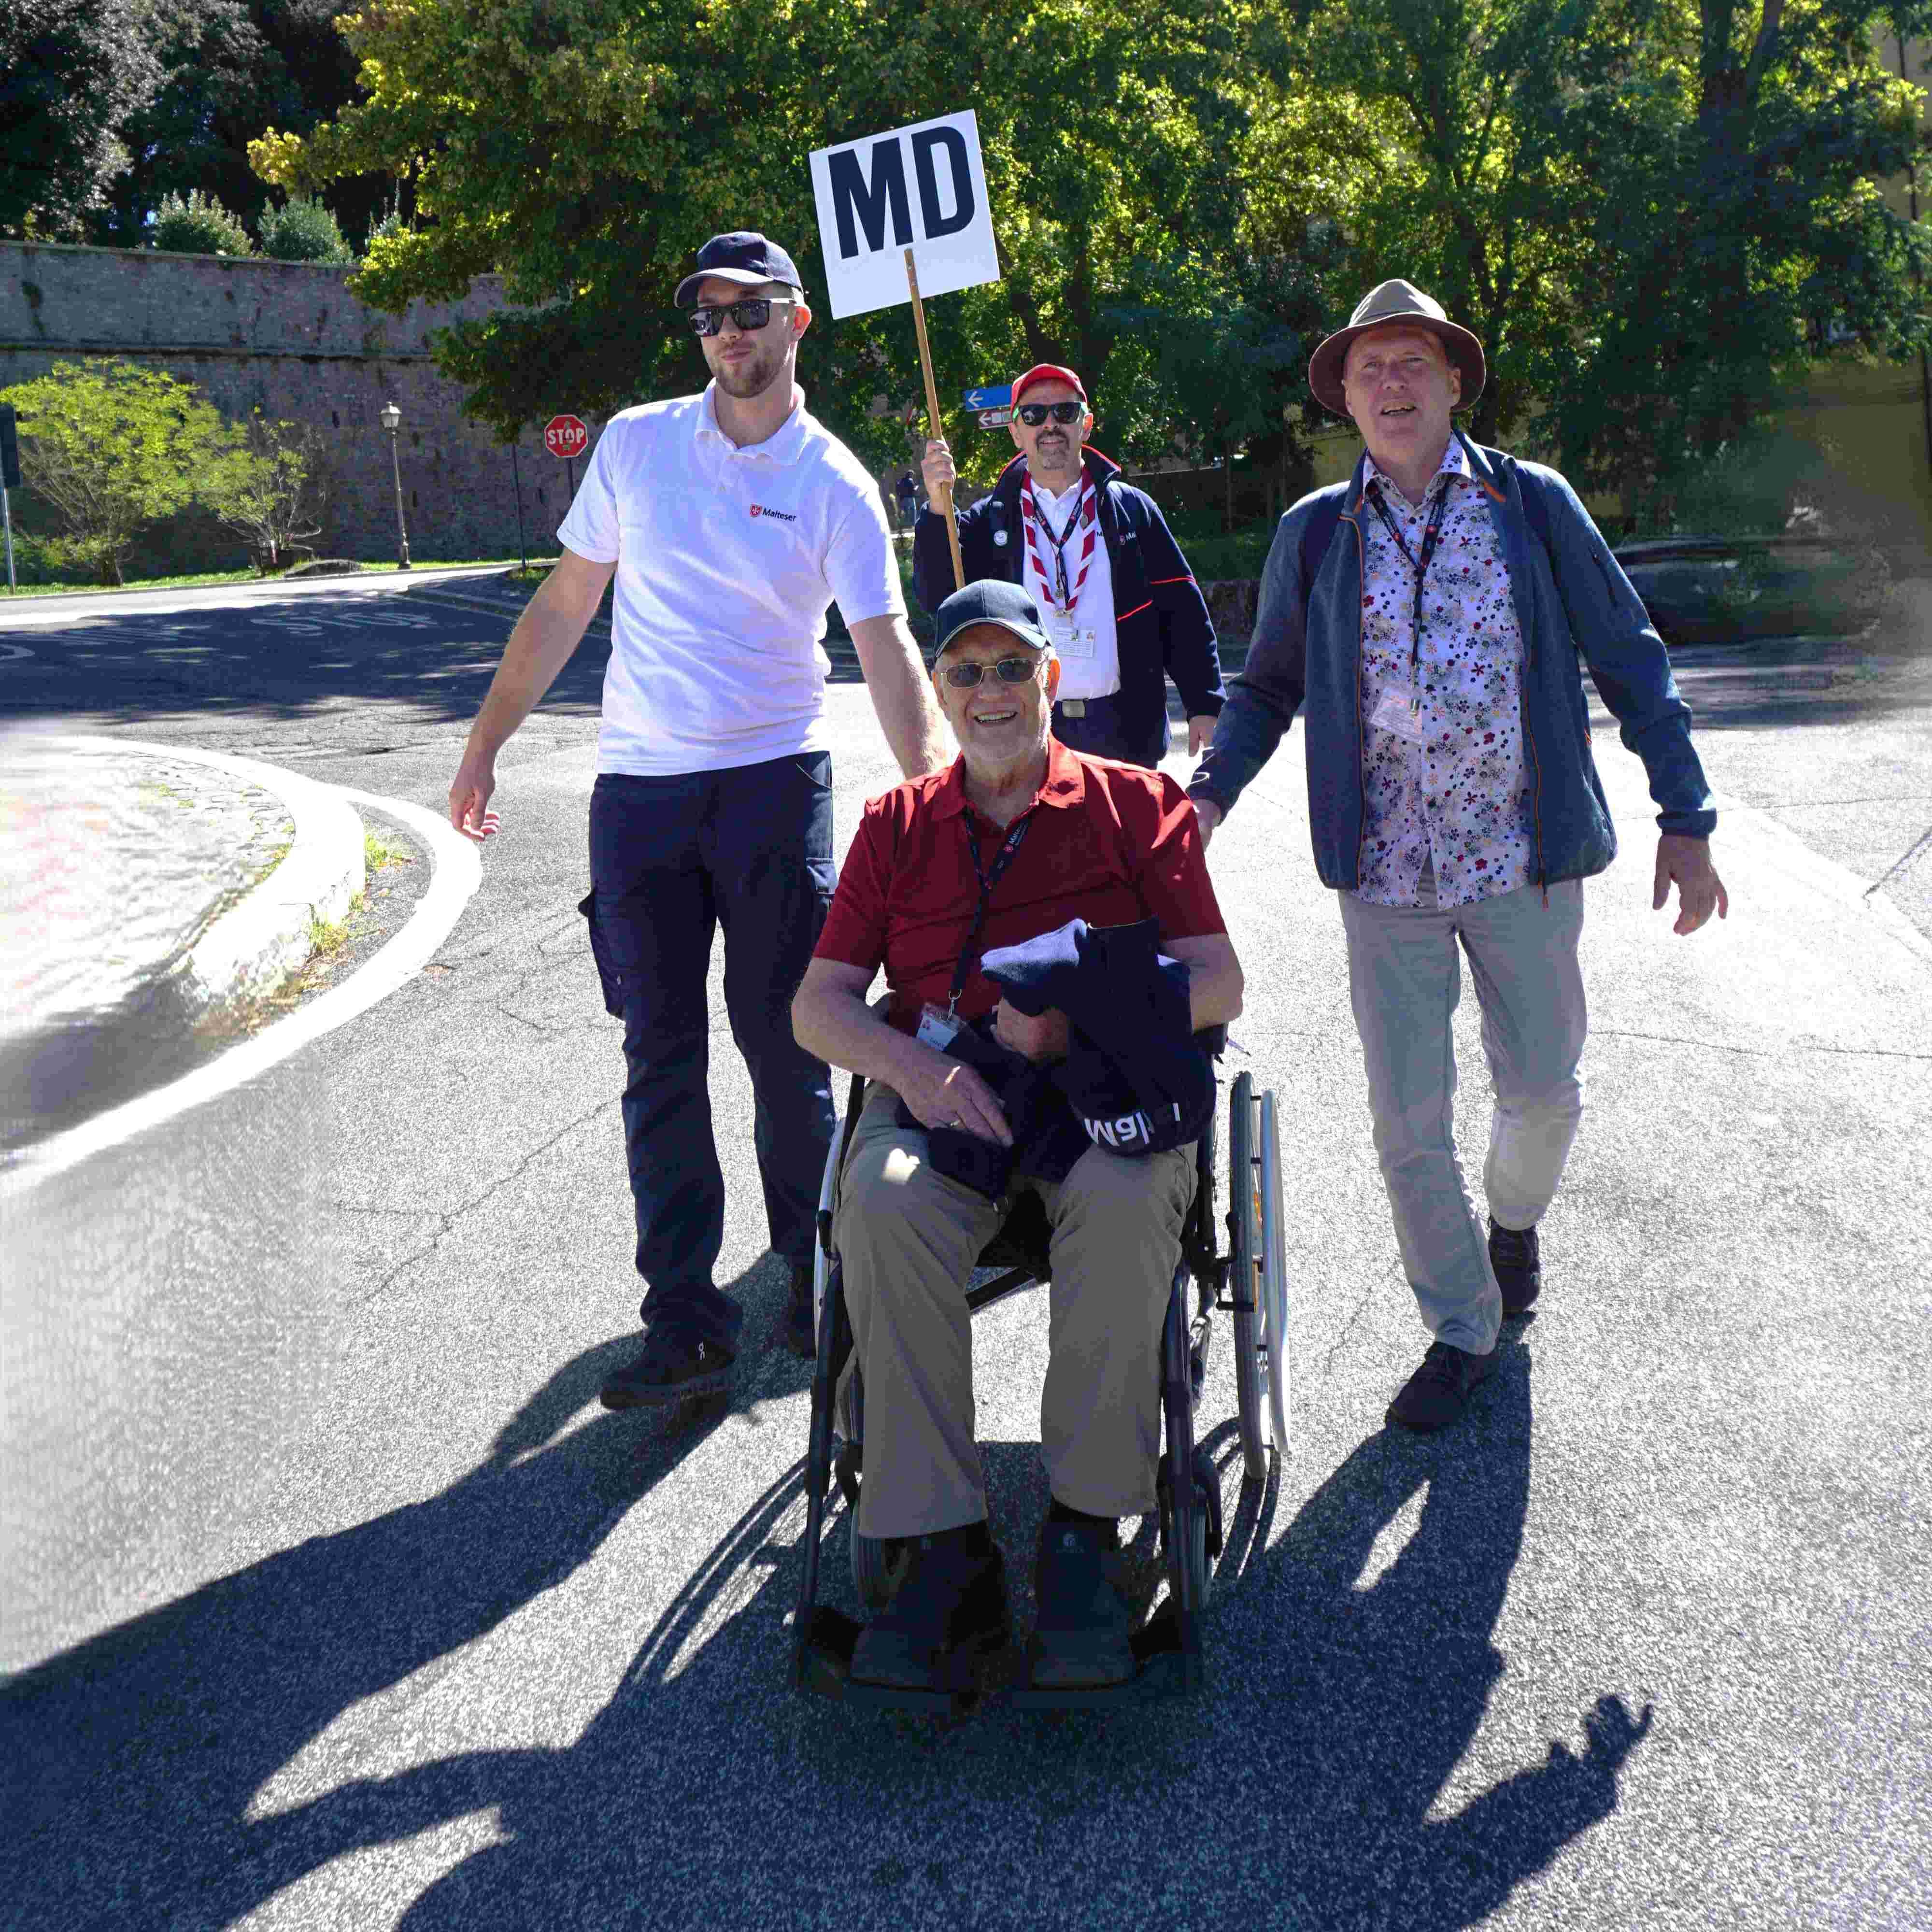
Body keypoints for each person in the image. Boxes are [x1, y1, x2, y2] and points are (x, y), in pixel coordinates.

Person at [1190, 279, 1729, 1435]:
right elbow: (1268, 685)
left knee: (1542, 1093)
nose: (1390, 383)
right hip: (1383, 876)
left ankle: (1512, 1226)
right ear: (1341, 394)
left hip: (1521, 861)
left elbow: (1629, 656)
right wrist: (1206, 797)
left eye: (1412, 363)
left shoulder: (1530, 507)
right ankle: (1459, 1324)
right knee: (1405, 1121)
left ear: (1451, 385)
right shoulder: (1314, 531)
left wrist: (1684, 816)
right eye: (1367, 367)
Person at [447, 230, 949, 1409]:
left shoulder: (833, 482)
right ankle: (682, 1318)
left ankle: (815, 1273)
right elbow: (568, 601)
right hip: (640, 797)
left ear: (796, 321)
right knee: (657, 1055)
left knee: (792, 1049)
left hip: (773, 787)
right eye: (710, 313)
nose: (730, 329)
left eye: (751, 307)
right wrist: (483, 745)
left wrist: (943, 801)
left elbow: (887, 655)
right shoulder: (636, 446)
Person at [792, 580, 1244, 1694]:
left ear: (1051, 677)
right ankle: (943, 1551)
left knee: (1134, 1197)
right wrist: (918, 1070)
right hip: (947, 1095)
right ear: (938, 691)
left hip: (1098, 1089)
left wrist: (1081, 1015)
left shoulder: (1139, 805)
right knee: (885, 1199)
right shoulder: (895, 826)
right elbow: (820, 1004)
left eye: (1010, 667)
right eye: (965, 671)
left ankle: (1089, 1531)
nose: (989, 691)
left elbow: (1218, 979)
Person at [913, 365, 1224, 768]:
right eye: (1033, 415)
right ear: (1015, 431)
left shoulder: (1131, 509)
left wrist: (1204, 702)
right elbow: (937, 597)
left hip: (1125, 730)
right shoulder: (991, 521)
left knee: (1129, 832)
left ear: (1086, 424)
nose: (1050, 425)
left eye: (1065, 412)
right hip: (1028, 732)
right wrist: (940, 510)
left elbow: (1182, 611)